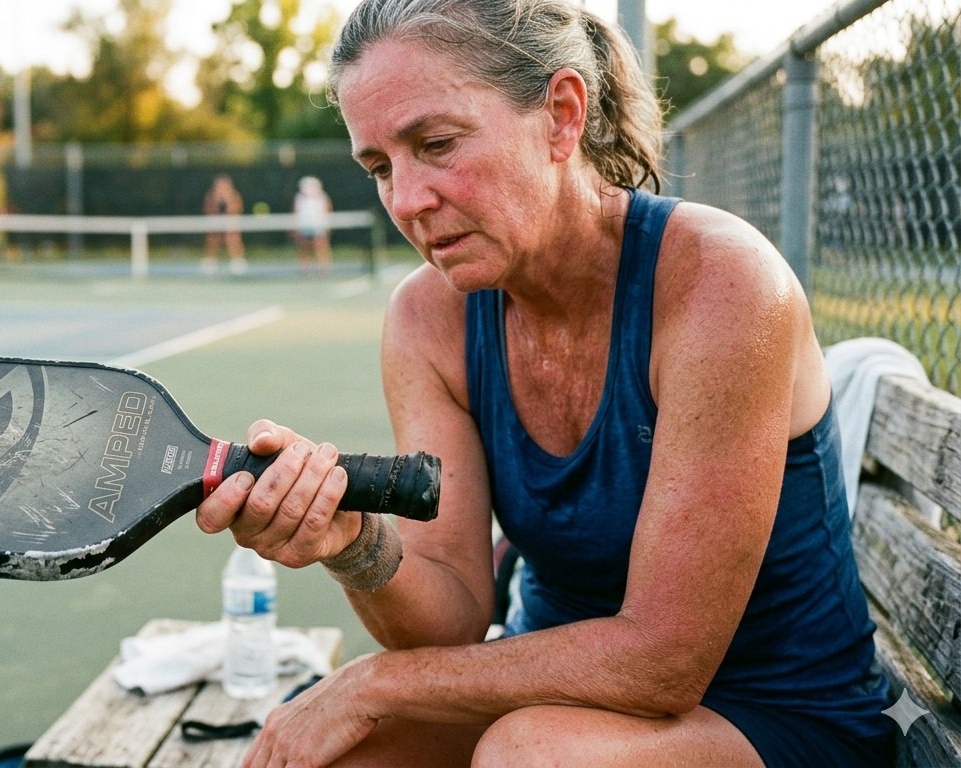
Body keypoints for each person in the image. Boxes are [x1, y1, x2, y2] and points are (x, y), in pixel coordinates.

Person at [195, 1, 894, 766]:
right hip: (558, 700)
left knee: (528, 753)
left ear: (562, 116)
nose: (407, 201)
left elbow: (662, 662)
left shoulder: (720, 282)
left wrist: (374, 685)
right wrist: (354, 543)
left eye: (436, 143)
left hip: (774, 716)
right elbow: (452, 617)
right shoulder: (430, 318)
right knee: (334, 755)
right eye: (381, 168)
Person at [201, 174, 248, 275]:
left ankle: (237, 261)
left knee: (233, 236)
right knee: (213, 236)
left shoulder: (235, 196)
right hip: (215, 221)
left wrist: (227, 203)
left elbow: (237, 210)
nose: (221, 187)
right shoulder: (210, 196)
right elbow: (208, 210)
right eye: (219, 185)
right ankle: (210, 261)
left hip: (231, 221)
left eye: (224, 185)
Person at [293, 176, 334, 276]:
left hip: (319, 226)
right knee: (304, 248)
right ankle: (305, 270)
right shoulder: (299, 198)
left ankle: (324, 270)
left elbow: (328, 210)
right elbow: (296, 212)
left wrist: (327, 225)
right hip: (304, 227)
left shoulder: (322, 197)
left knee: (321, 247)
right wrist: (296, 227)